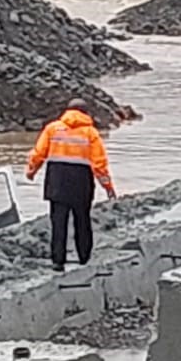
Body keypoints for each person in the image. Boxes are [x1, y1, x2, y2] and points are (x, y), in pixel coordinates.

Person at [25, 103, 116, 269]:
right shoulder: (90, 133)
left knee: (58, 222)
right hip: (81, 183)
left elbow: (38, 154)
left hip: (57, 182)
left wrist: (31, 171)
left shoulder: (52, 129)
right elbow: (99, 164)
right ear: (85, 113)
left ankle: (58, 261)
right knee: (83, 221)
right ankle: (84, 258)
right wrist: (108, 186)